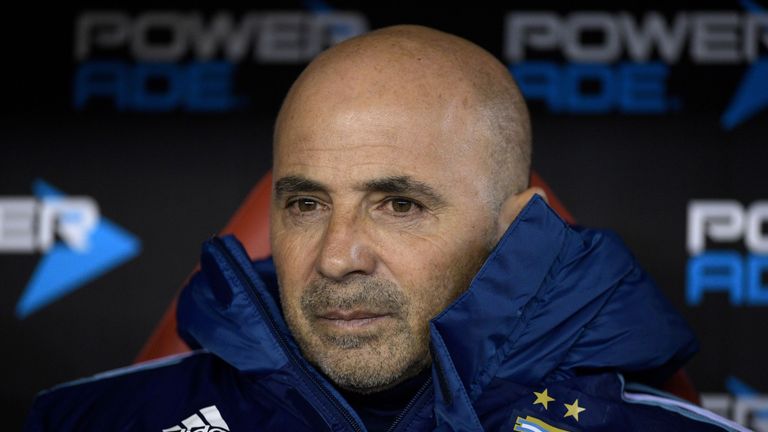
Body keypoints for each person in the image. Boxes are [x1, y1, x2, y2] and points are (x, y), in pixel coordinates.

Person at [25, 25, 744, 432]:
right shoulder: (89, 420)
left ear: (516, 230)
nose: (336, 257)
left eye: (399, 205)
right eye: (305, 204)